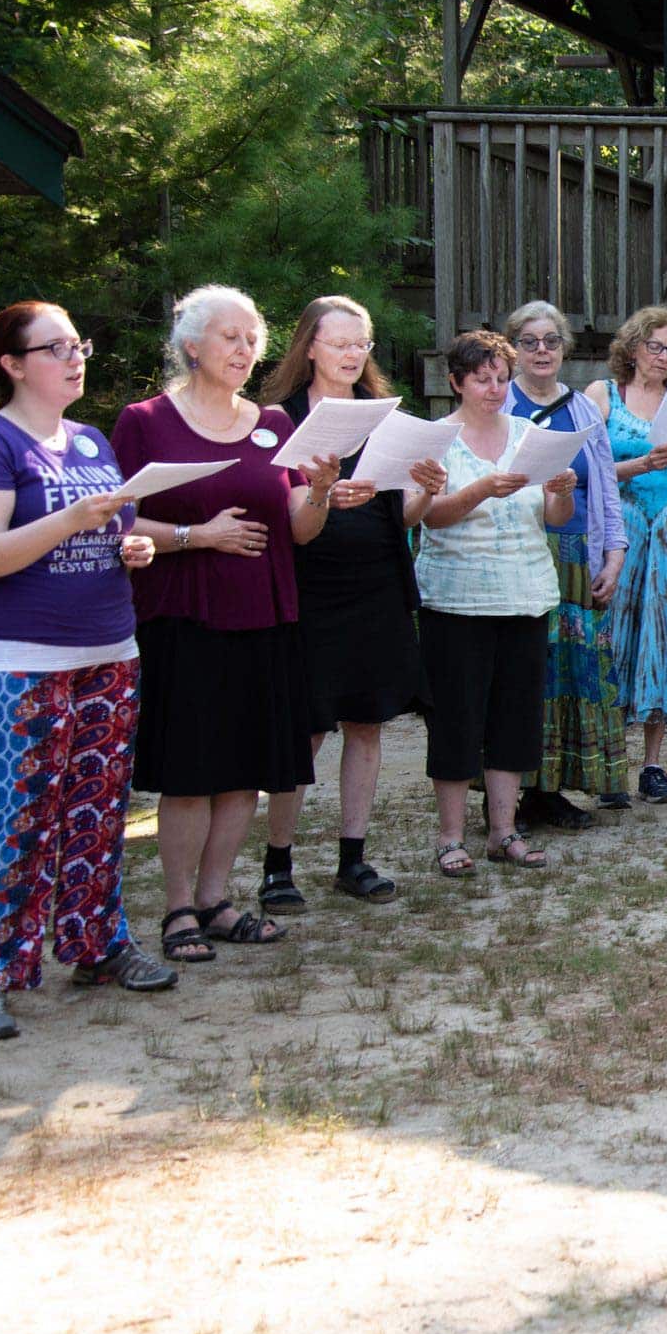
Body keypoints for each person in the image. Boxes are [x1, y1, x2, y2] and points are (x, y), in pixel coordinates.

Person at [0, 302, 172, 1040]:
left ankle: (97, 945)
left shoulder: (91, 440)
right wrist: (72, 523)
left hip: (108, 651)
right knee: (18, 817)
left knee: (100, 810)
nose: (76, 359)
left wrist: (131, 548)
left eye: (80, 345)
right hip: (18, 660)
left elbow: (114, 531)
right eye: (55, 348)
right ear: (11, 363)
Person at [114, 285, 340, 965]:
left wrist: (323, 487)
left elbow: (300, 529)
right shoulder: (145, 420)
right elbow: (113, 516)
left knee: (246, 770)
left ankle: (216, 899)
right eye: (229, 337)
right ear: (192, 344)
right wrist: (195, 534)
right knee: (188, 773)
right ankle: (177, 906)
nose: (245, 350)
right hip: (185, 616)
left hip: (266, 616)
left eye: (252, 339)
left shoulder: (273, 423)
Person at [257, 295, 429, 910]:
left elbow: (403, 513)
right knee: (304, 728)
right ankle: (278, 864)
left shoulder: (385, 418)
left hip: (377, 581)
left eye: (363, 344)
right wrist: (324, 492)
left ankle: (352, 858)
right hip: (310, 586)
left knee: (367, 722)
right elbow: (290, 522)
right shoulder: (278, 420)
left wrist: (427, 494)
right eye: (342, 343)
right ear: (310, 347)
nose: (355, 354)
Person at [416, 329, 578, 874]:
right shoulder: (435, 438)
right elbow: (427, 517)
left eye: (501, 378)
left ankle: (503, 831)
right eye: (481, 379)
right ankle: (450, 836)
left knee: (515, 718)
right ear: (456, 382)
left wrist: (562, 490)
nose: (493, 388)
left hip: (525, 594)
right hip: (457, 600)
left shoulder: (529, 433)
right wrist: (483, 488)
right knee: (458, 718)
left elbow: (552, 520)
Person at [503, 302, 631, 827]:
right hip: (517, 554)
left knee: (571, 674)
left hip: (577, 554)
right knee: (524, 672)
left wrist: (615, 554)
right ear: (513, 349)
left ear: (564, 349)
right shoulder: (498, 404)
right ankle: (515, 786)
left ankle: (552, 788)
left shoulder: (583, 410)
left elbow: (605, 488)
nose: (541, 351)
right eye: (529, 341)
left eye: (551, 341)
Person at [587, 305, 667, 804]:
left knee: (664, 637)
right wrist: (639, 463)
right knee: (616, 636)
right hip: (623, 526)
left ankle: (653, 764)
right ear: (633, 346)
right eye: (655, 346)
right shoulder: (603, 396)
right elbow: (585, 473)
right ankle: (611, 762)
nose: (663, 357)